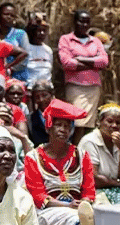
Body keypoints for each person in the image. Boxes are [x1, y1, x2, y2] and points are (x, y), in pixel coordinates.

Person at [23, 100, 95, 225]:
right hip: (49, 211)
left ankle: (88, 223)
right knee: (62, 218)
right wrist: (68, 206)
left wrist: (84, 203)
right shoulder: (33, 157)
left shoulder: (82, 155)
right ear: (48, 128)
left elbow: (89, 189)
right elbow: (39, 197)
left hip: (80, 209)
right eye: (59, 125)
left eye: (67, 127)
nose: (63, 129)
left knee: (98, 210)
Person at [57, 10, 110, 141]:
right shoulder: (66, 39)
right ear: (75, 22)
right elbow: (67, 63)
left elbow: (104, 61)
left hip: (93, 87)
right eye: (81, 21)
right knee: (78, 122)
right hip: (75, 86)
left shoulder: (95, 41)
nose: (84, 24)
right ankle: (76, 151)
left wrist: (80, 59)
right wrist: (93, 63)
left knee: (89, 123)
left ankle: (85, 152)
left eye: (87, 22)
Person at [78, 103, 120, 204]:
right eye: (109, 121)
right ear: (99, 122)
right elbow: (93, 178)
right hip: (95, 191)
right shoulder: (90, 141)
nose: (114, 126)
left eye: (118, 122)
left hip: (116, 189)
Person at [0, 2, 30, 80]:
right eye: (6, 14)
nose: (9, 17)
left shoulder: (20, 34)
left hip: (17, 78)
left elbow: (26, 58)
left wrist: (10, 69)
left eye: (12, 16)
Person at [23, 12, 54, 86]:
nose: (42, 33)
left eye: (44, 31)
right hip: (29, 88)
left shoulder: (48, 50)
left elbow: (49, 70)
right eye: (39, 30)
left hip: (46, 88)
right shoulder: (24, 49)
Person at [27, 79, 54, 146]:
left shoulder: (61, 115)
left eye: (44, 95)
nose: (41, 100)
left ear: (51, 95)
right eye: (37, 97)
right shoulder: (30, 119)